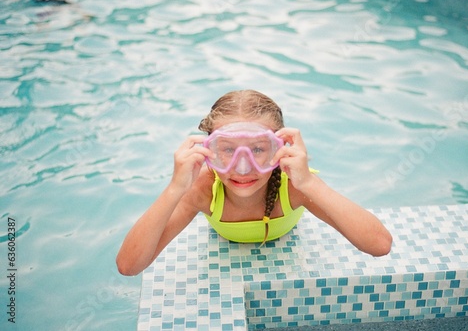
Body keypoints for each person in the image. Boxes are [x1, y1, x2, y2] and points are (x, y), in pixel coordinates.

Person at [116, 90, 392, 276]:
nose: (243, 167)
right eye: (228, 150)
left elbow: (379, 245)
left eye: (258, 149)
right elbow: (129, 266)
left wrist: (309, 182)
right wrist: (176, 188)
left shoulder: (294, 185)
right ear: (207, 150)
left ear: (280, 149)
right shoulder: (201, 190)